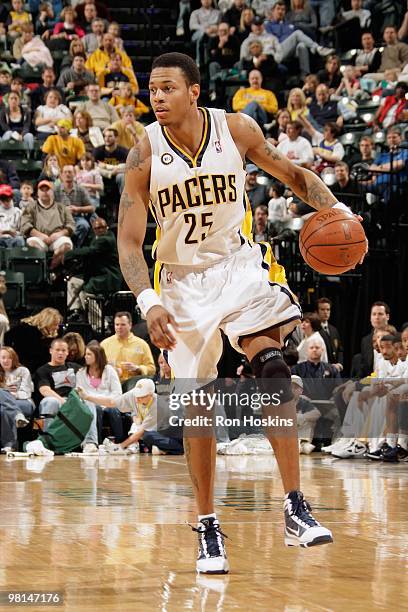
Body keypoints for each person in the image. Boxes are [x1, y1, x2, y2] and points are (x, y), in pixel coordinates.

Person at [117, 52, 363, 573]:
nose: (155, 98)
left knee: (273, 370)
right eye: (151, 90)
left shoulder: (237, 129)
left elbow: (294, 174)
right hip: (180, 283)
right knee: (198, 406)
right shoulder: (144, 152)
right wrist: (148, 301)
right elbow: (129, 239)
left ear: (193, 91)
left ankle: (295, 506)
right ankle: (207, 525)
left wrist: (335, 210)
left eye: (165, 89)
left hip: (239, 265)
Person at [64, 216, 122, 317]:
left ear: (106, 227)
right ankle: (75, 311)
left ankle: (99, 325)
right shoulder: (95, 238)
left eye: (102, 227)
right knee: (73, 282)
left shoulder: (106, 239)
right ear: (93, 229)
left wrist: (68, 254)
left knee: (85, 294)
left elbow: (89, 251)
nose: (100, 230)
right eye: (97, 228)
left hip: (108, 277)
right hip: (97, 274)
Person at [75, 342, 124, 449]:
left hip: (108, 402)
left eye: (89, 354)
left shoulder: (109, 370)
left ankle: (121, 443)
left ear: (97, 356)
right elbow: (80, 394)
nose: (85, 357)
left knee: (113, 410)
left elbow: (117, 392)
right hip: (90, 404)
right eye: (85, 354)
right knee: (95, 408)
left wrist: (104, 400)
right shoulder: (81, 373)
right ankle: (96, 443)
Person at [20, 179, 75, 268]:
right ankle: (44, 268)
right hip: (39, 238)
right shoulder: (31, 207)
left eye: (47, 189)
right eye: (42, 190)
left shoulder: (61, 207)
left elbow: (71, 224)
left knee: (66, 246)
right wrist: (41, 236)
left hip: (58, 237)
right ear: (37, 192)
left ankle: (51, 268)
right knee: (32, 245)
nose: (45, 192)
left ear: (52, 192)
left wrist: (59, 234)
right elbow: (25, 225)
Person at [34, 338, 80, 429]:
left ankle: (90, 442)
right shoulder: (43, 370)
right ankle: (47, 438)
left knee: (90, 403)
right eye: (57, 350)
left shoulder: (74, 367)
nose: (60, 353)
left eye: (63, 350)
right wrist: (63, 401)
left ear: (67, 352)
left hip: (73, 400)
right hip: (55, 400)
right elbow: (45, 390)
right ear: (51, 351)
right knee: (51, 401)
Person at [100, 311, 156, 384]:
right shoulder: (105, 344)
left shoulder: (142, 344)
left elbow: (152, 369)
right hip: (110, 384)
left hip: (133, 384)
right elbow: (96, 367)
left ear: (130, 325)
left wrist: (138, 368)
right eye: (117, 324)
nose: (119, 327)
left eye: (123, 324)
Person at [4, 307, 63, 374]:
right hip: (24, 367)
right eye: (55, 324)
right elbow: (8, 336)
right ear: (47, 322)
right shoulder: (26, 329)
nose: (57, 327)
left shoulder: (47, 334)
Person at [53, 164, 95, 247]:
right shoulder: (55, 190)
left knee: (84, 225)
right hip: (60, 218)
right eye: (65, 172)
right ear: (61, 175)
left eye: (70, 172)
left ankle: (75, 247)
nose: (67, 174)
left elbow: (92, 208)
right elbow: (49, 207)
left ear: (74, 174)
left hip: (76, 218)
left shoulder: (81, 189)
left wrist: (78, 209)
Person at [0, 346, 34, 425]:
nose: (6, 360)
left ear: (14, 359)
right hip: (4, 405)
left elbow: (26, 393)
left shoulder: (23, 371)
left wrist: (10, 395)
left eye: (9, 358)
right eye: (3, 357)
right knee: (2, 410)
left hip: (23, 402)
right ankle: (18, 416)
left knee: (3, 408)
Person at [291, 375, 320, 454]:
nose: (292, 390)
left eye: (295, 388)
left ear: (301, 390)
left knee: (307, 420)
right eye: (290, 387)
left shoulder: (304, 401)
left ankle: (302, 444)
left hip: (300, 435)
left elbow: (317, 414)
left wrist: (300, 417)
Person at [93, 127, 128, 194]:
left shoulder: (123, 151)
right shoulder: (97, 150)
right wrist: (110, 172)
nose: (107, 139)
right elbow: (94, 166)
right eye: (105, 136)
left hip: (118, 175)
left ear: (116, 138)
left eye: (110, 136)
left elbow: (125, 167)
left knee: (122, 176)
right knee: (94, 173)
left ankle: (124, 201)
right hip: (103, 174)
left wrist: (106, 166)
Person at [316, 297, 343, 367]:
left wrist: (339, 364)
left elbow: (340, 349)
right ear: (316, 312)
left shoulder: (334, 330)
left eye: (328, 309)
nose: (326, 312)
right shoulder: (315, 330)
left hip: (336, 370)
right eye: (322, 309)